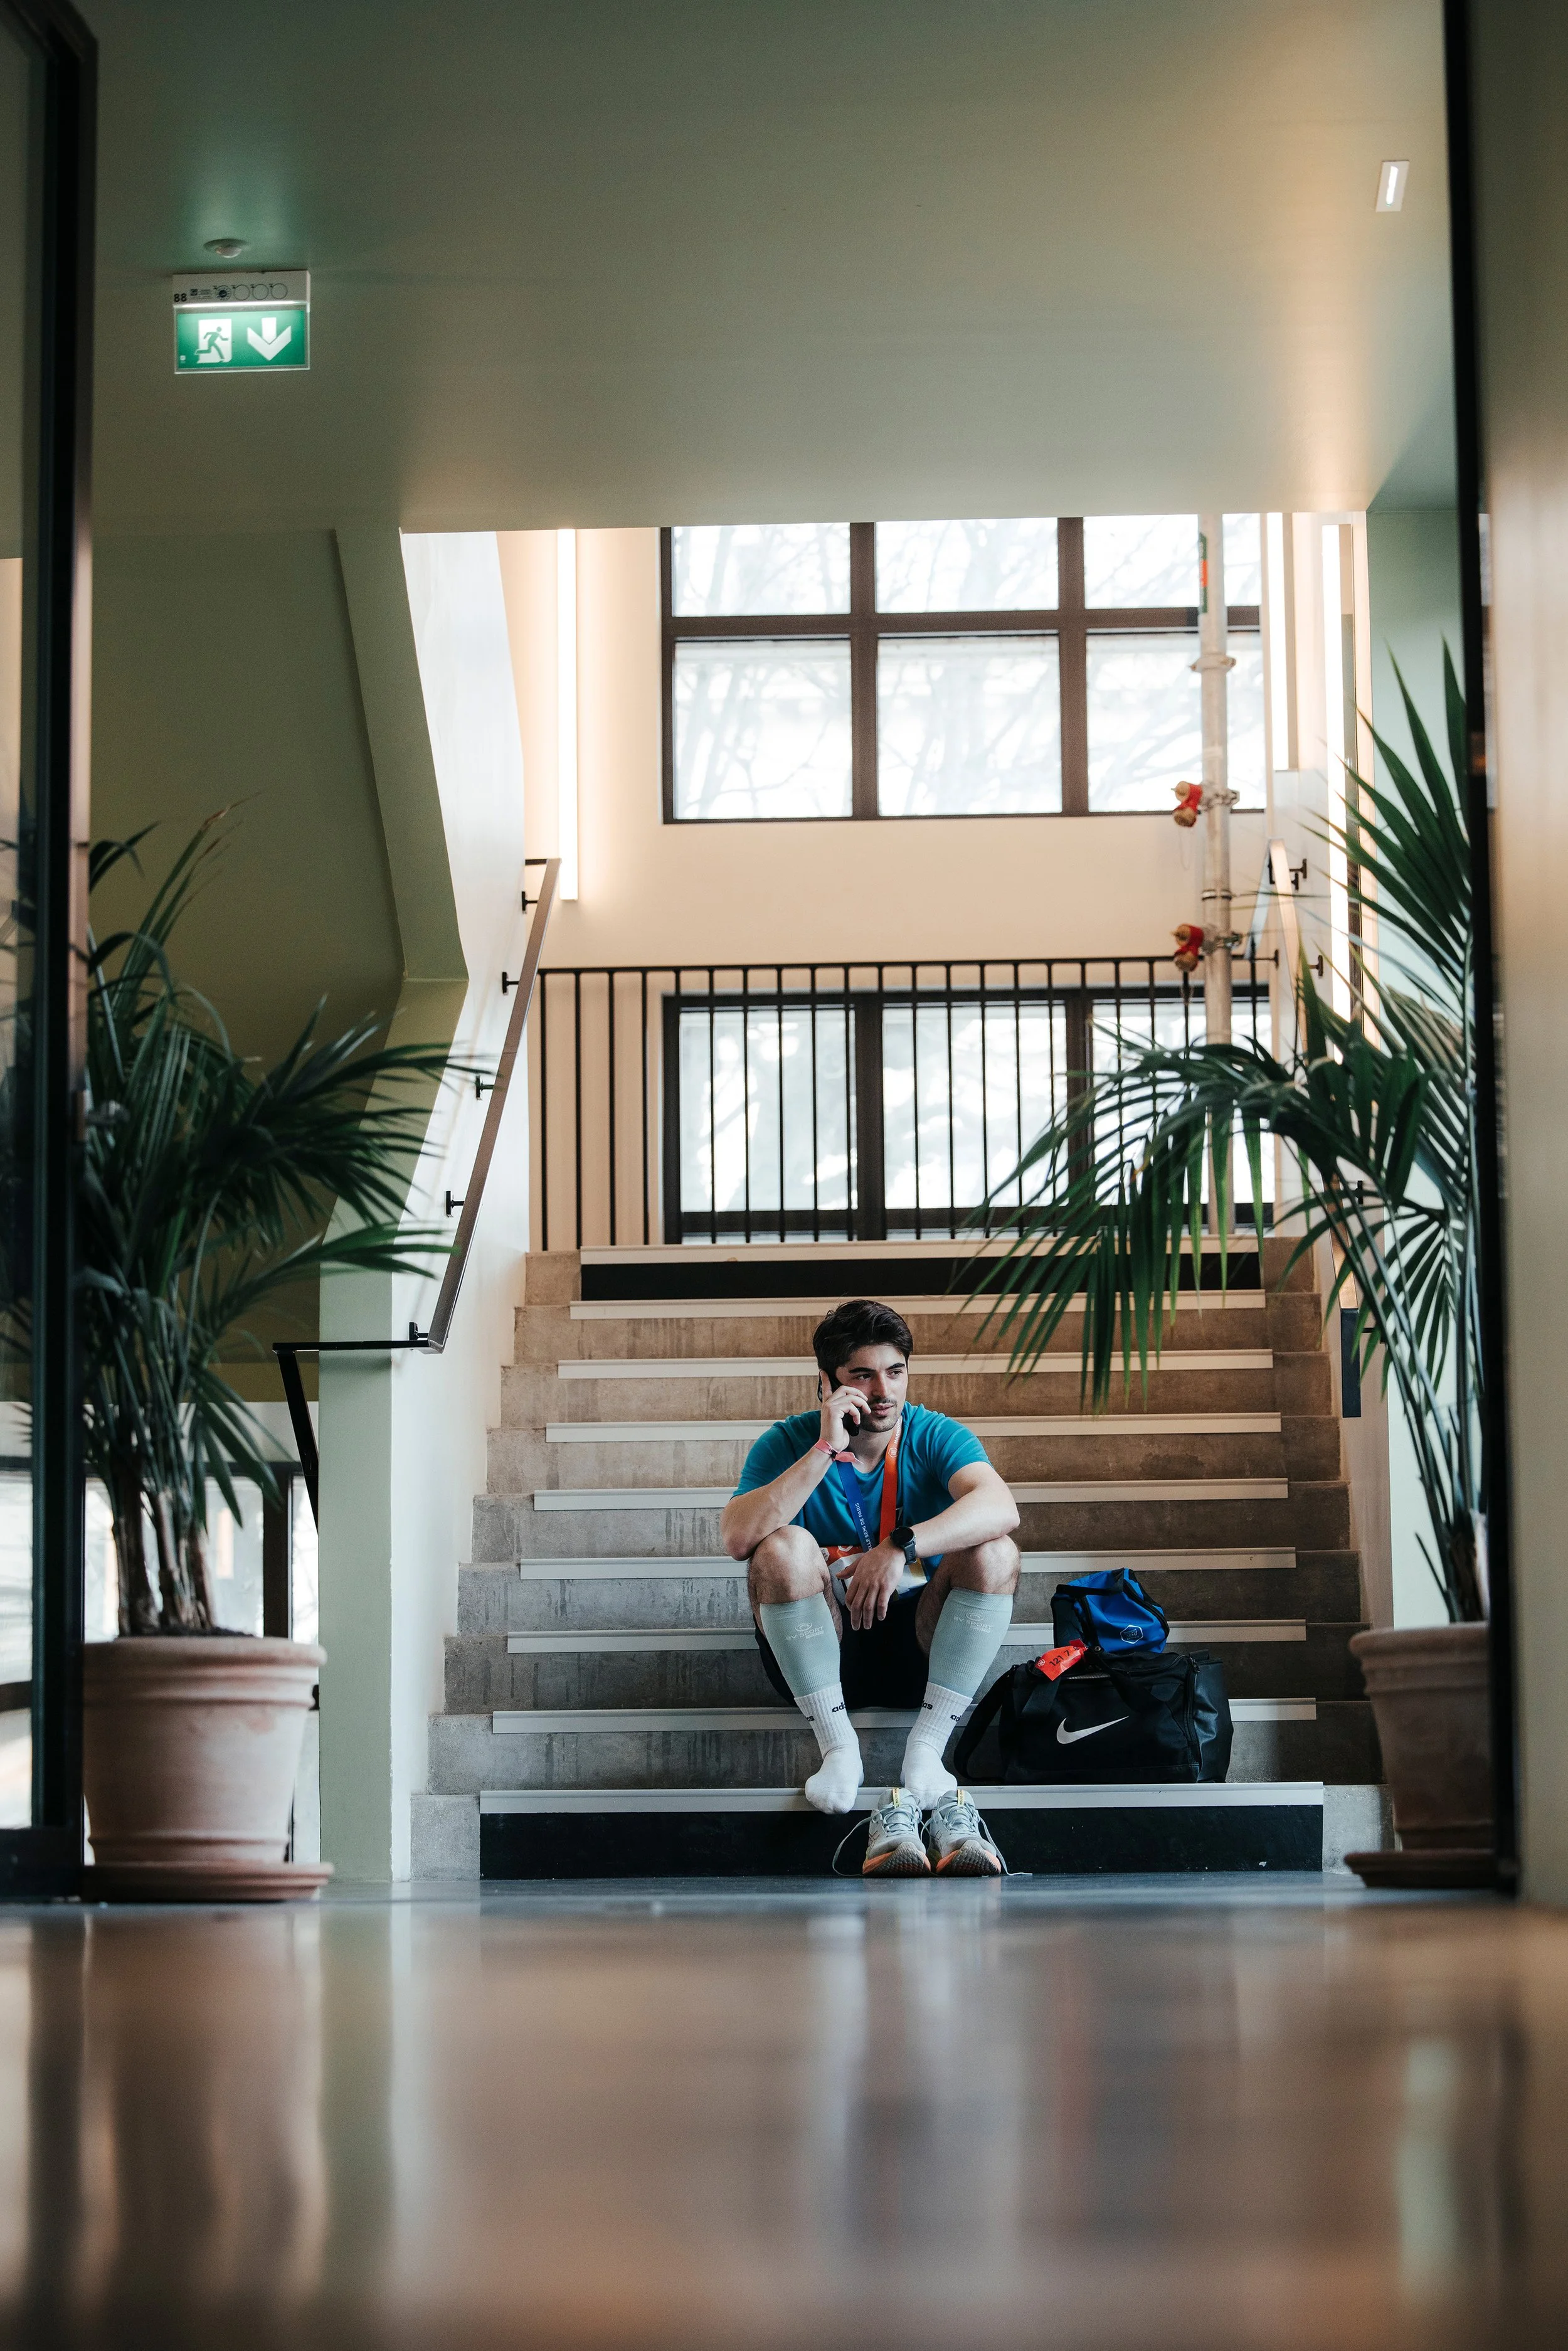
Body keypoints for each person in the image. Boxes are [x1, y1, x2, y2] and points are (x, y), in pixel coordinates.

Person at [720, 1298, 1021, 1877]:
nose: (883, 1391)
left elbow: (1000, 1506)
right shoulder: (788, 1442)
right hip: (821, 1653)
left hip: (922, 1650)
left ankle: (928, 1748)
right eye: (863, 1375)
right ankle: (838, 1748)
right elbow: (737, 1538)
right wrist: (825, 1449)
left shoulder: (933, 1434)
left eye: (896, 1372)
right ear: (827, 1384)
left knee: (994, 1551)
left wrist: (901, 1547)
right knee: (781, 1547)